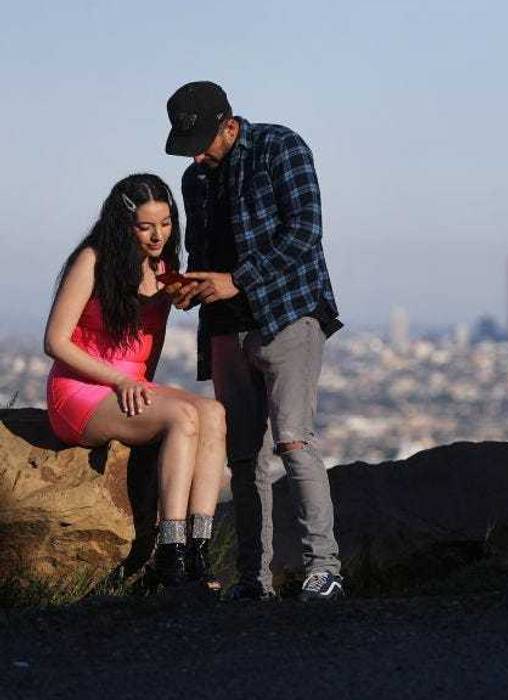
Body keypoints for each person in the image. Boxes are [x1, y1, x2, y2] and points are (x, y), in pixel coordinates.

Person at [163, 81, 345, 601]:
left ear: (229, 123)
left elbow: (306, 230)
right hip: (225, 324)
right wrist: (193, 285)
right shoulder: (195, 180)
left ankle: (324, 567)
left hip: (287, 314)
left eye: (203, 139)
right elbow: (205, 251)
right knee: (243, 456)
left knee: (293, 441)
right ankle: (253, 579)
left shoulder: (279, 147)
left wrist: (238, 280)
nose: (197, 153)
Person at [44, 173, 227, 591]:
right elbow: (54, 341)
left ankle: (198, 551)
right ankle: (170, 552)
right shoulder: (93, 260)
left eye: (165, 224)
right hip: (80, 388)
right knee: (182, 417)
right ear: (123, 224)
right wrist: (120, 382)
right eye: (146, 226)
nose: (158, 235)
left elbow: (151, 343)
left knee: (213, 413)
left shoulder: (162, 268)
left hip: (131, 385)